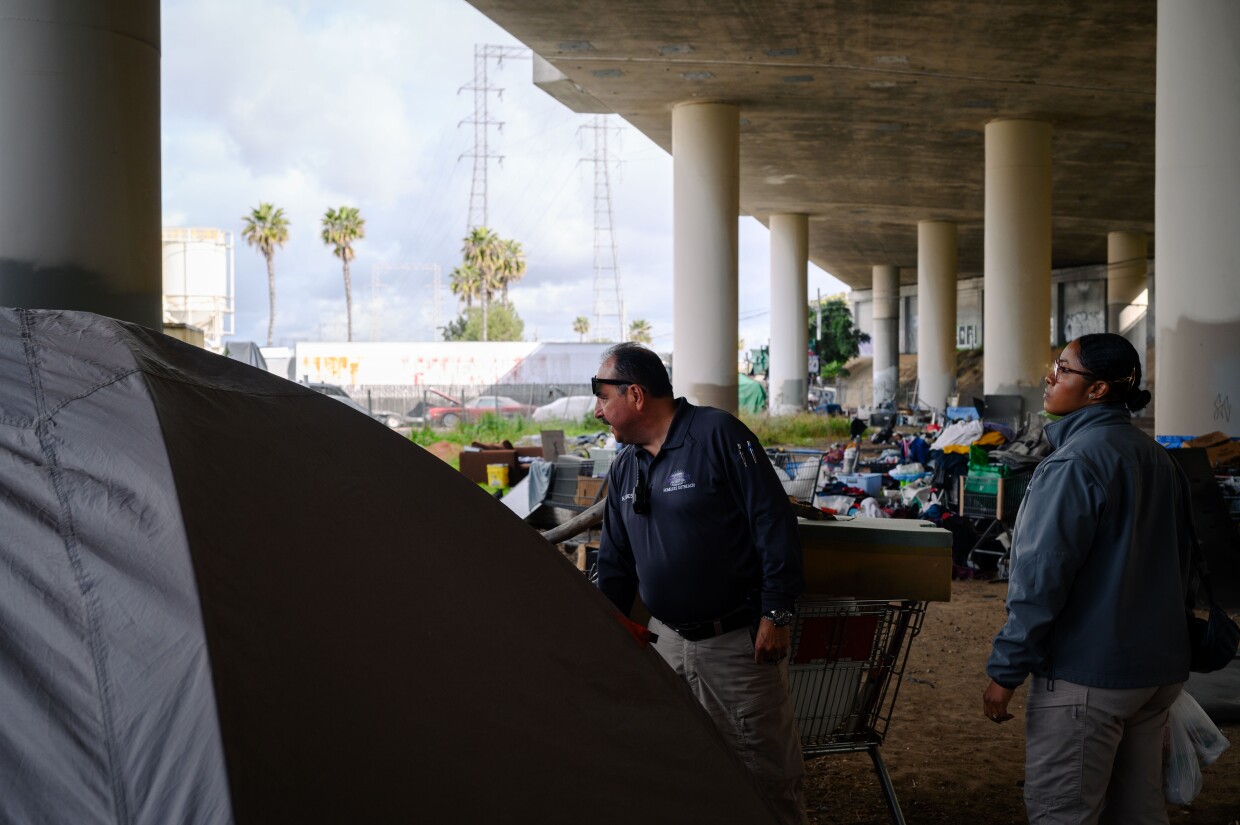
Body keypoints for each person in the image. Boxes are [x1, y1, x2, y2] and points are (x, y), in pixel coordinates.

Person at [982, 333, 1194, 824]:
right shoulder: (1159, 458)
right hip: (1157, 674)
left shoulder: (1074, 462)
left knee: (1064, 813)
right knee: (1139, 812)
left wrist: (1006, 670)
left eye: (1062, 367)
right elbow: (1186, 565)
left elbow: (1040, 577)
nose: (1049, 377)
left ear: (1097, 389)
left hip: (1088, 677)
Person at [592, 343, 808, 824]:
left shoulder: (716, 434)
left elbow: (773, 524)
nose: (597, 408)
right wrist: (610, 628)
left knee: (763, 774)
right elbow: (616, 564)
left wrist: (776, 612)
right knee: (684, 771)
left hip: (736, 645)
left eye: (602, 395)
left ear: (637, 394)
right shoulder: (626, 465)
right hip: (667, 644)